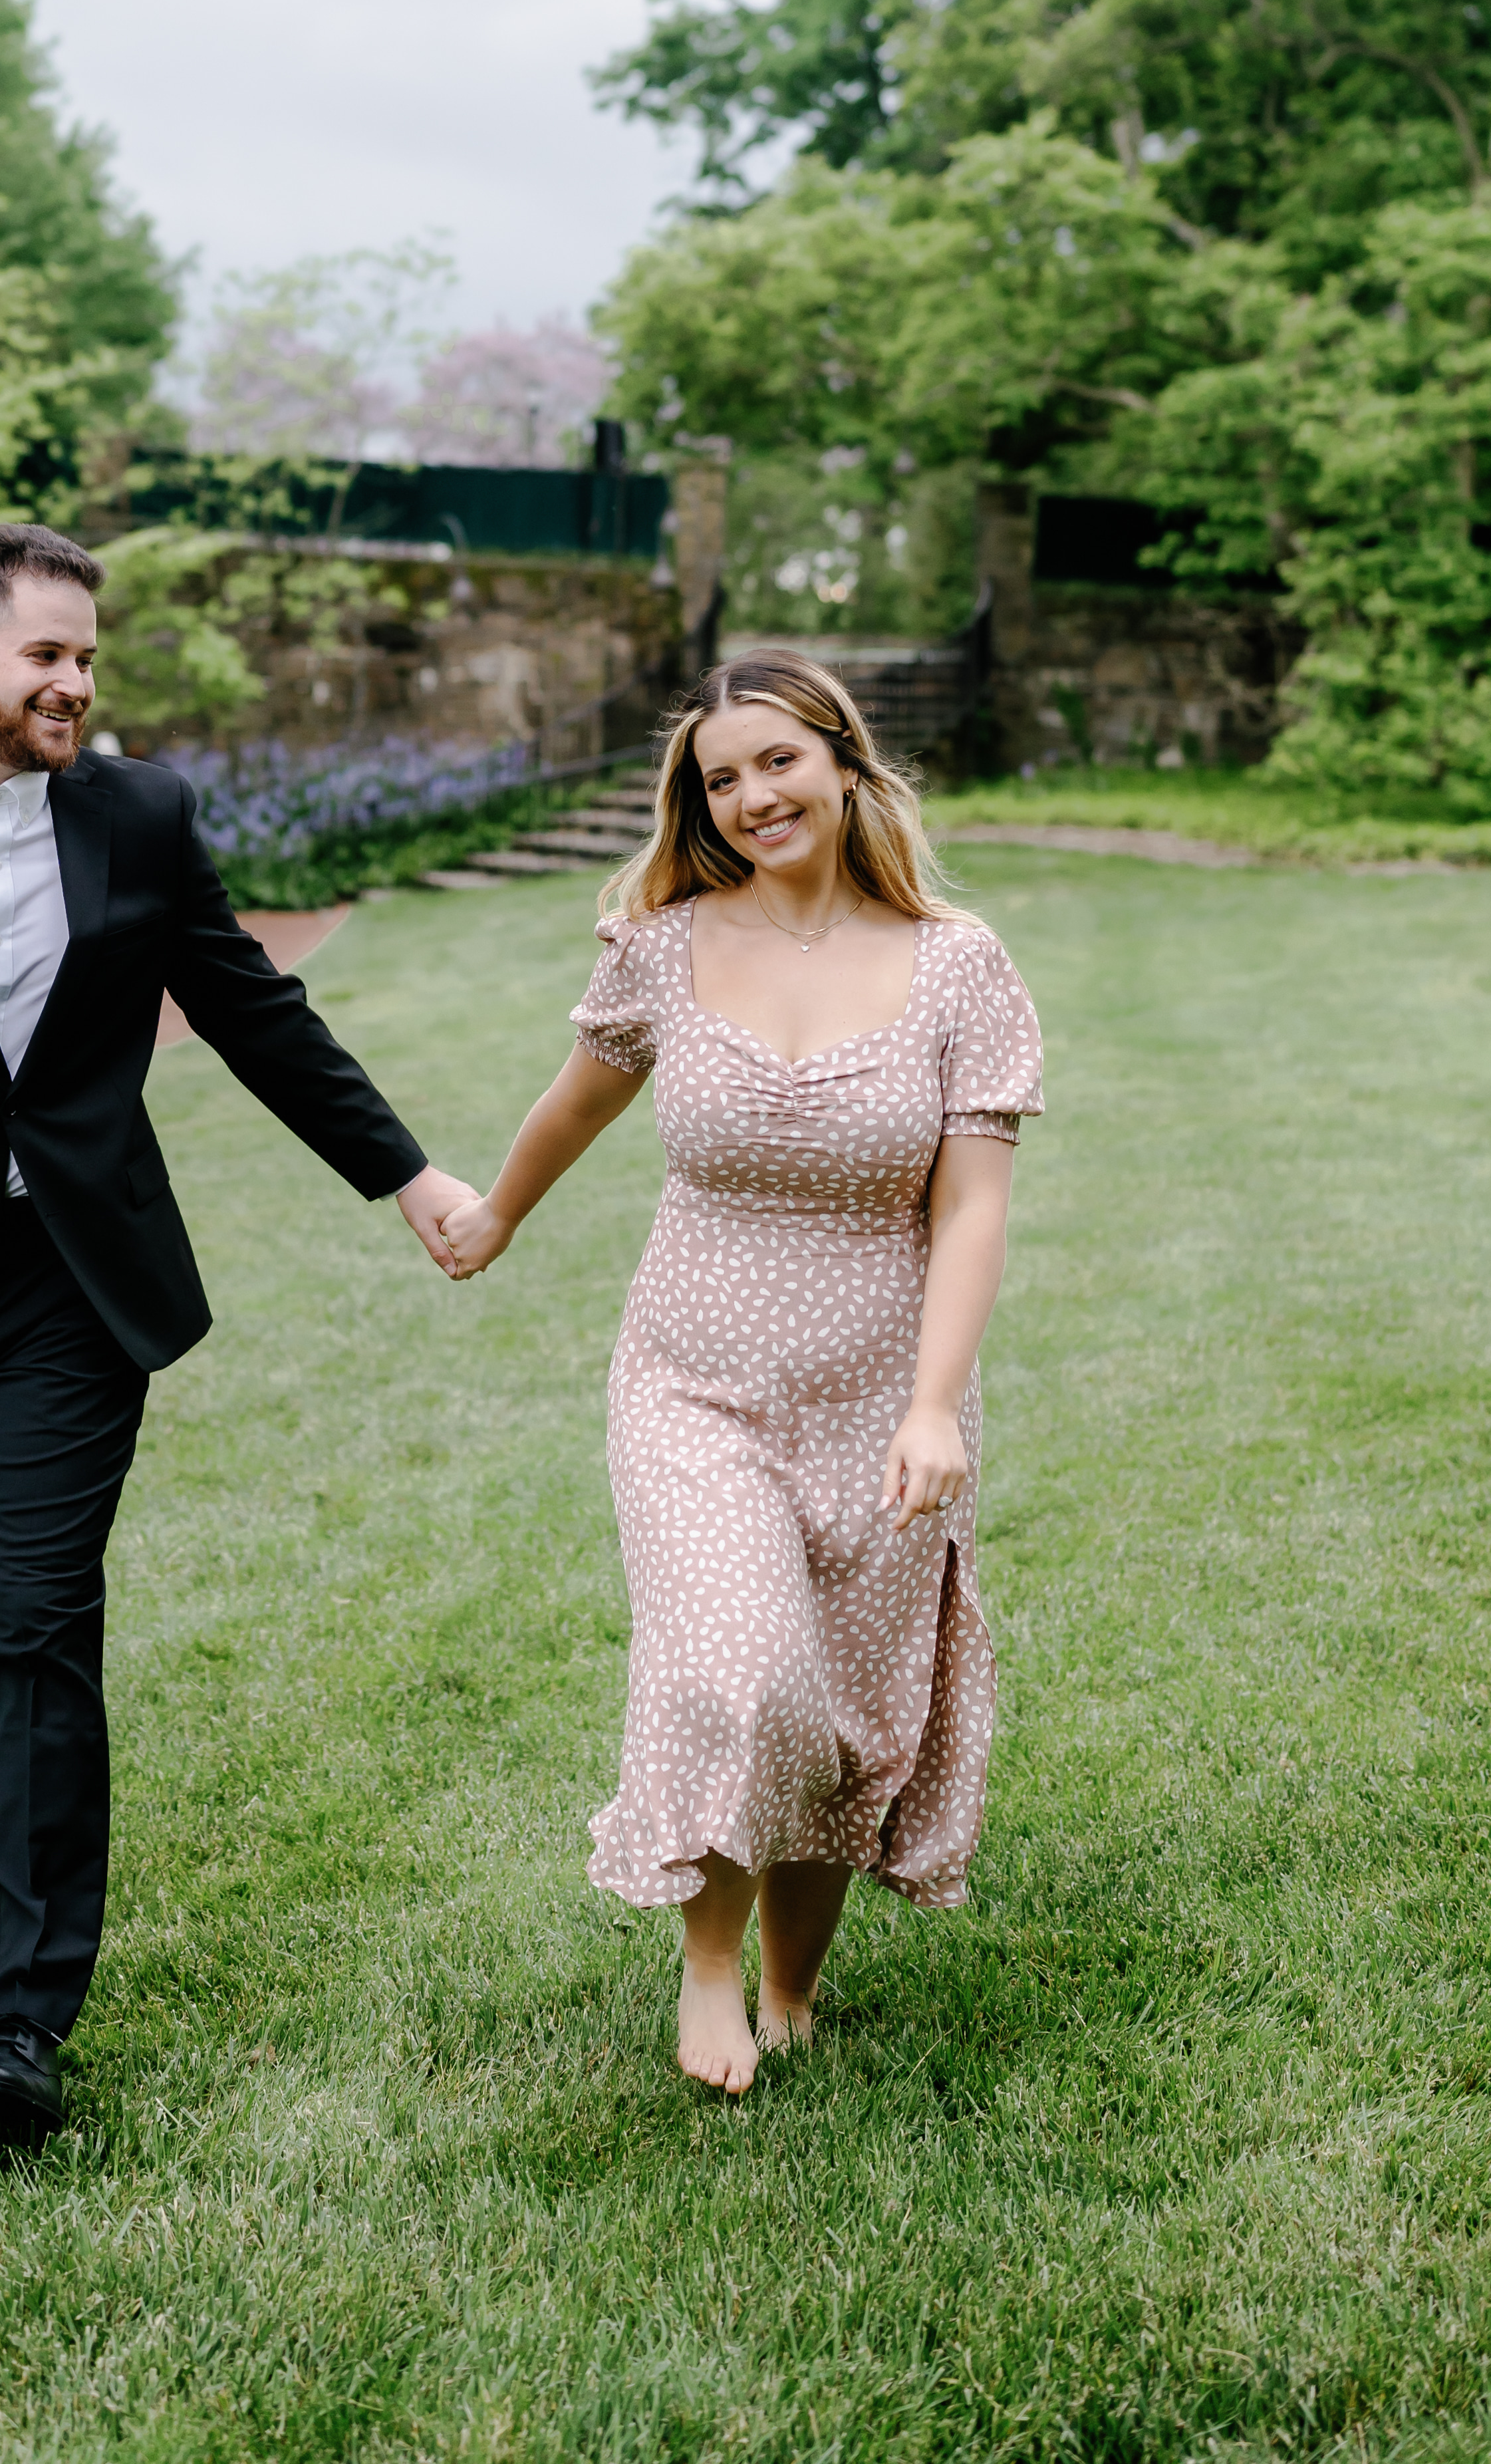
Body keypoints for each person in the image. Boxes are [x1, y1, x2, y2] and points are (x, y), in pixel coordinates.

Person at [0, 521, 480, 2149]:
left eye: (87, 658)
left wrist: (402, 1175)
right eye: (45, 655)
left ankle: (25, 2023)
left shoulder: (139, 815)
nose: (73, 683)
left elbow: (253, 1008)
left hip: (73, 1280)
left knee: (37, 1617)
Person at [440, 649, 1041, 2096]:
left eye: (776, 761)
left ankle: (789, 1987)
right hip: (688, 1380)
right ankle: (707, 1968)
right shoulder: (664, 941)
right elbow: (578, 1095)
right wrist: (497, 1213)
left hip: (879, 1395)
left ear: (840, 762)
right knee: (740, 1665)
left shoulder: (957, 963)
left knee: (837, 1706)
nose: (752, 794)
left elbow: (969, 1205)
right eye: (722, 776)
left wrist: (927, 1405)